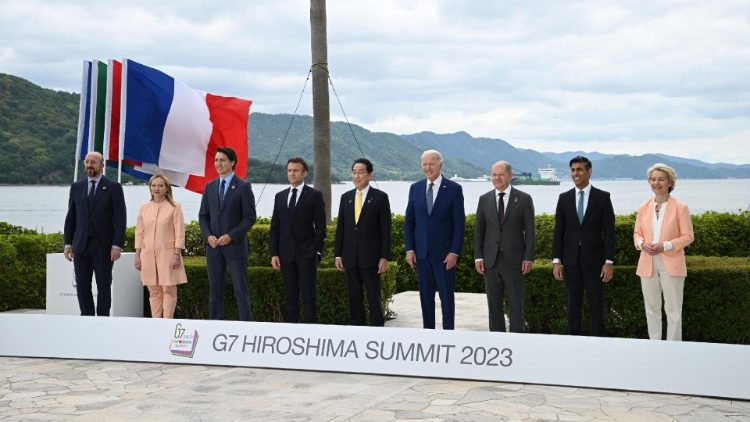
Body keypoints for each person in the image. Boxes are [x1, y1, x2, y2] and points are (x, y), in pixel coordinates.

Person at [552, 156, 615, 336]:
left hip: (595, 262)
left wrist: (609, 262)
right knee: (572, 306)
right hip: (571, 261)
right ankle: (574, 342)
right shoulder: (564, 198)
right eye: (573, 170)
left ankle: (600, 343)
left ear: (589, 171)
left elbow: (609, 232)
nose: (575, 173)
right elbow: (559, 232)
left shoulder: (603, 197)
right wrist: (556, 261)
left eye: (579, 169)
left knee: (597, 306)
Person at [405, 150, 465, 330]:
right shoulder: (415, 188)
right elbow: (409, 222)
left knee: (446, 299)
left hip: (445, 256)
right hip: (422, 255)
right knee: (425, 299)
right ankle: (428, 334)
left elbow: (459, 224)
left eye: (431, 163)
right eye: (424, 164)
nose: (427, 167)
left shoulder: (454, 189)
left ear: (440, 165)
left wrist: (454, 251)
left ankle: (448, 334)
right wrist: (409, 249)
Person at [634, 163, 694, 341]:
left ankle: (673, 347)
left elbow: (688, 236)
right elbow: (637, 233)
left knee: (673, 309)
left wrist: (665, 246)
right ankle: (655, 346)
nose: (656, 183)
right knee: (651, 308)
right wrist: (642, 244)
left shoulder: (680, 207)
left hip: (672, 262)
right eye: (653, 179)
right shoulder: (643, 207)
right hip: (647, 262)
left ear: (670, 182)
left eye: (661, 179)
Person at [474, 161, 535, 332]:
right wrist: (478, 257)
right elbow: (479, 231)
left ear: (510, 175)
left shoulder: (524, 199)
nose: (497, 178)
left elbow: (530, 232)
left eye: (501, 174)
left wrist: (528, 257)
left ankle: (517, 341)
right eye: (494, 174)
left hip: (515, 262)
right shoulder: (484, 199)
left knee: (516, 306)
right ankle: (497, 341)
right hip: (490, 261)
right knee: (494, 307)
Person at [63, 151, 126, 316]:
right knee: (82, 286)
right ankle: (87, 319)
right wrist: (68, 243)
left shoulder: (113, 187)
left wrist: (117, 245)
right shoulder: (76, 187)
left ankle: (103, 320)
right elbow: (71, 217)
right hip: (81, 246)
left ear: (102, 165)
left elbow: (120, 219)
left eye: (94, 162)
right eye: (87, 162)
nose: (89, 165)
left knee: (104, 286)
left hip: (104, 247)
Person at [198, 147, 257, 321]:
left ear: (232, 162)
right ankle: (215, 326)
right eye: (216, 160)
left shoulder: (243, 186)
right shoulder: (210, 187)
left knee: (240, 290)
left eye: (222, 160)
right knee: (215, 291)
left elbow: (249, 218)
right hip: (213, 248)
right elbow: (203, 216)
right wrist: (208, 236)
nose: (218, 163)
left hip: (235, 248)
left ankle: (246, 326)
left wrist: (230, 236)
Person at [334, 158, 392, 326]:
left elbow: (385, 230)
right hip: (350, 257)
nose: (356, 176)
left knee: (374, 297)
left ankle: (377, 331)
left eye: (360, 172)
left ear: (369, 175)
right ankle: (357, 331)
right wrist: (338, 255)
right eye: (354, 172)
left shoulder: (380, 197)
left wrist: (384, 257)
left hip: (371, 258)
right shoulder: (346, 197)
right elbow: (341, 229)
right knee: (354, 298)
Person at [270, 157, 326, 323]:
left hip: (307, 254)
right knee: (290, 297)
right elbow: (275, 228)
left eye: (295, 170)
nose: (292, 173)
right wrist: (274, 253)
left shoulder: (315, 195)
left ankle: (311, 331)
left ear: (304, 173)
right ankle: (292, 331)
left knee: (309, 297)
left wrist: (316, 251)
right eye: (289, 170)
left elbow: (321, 227)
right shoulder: (280, 196)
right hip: (285, 255)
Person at [134, 174, 188, 319]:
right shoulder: (144, 207)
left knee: (169, 290)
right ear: (150, 188)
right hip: (147, 255)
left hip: (168, 255)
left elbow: (179, 232)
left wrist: (177, 254)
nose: (156, 189)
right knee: (154, 291)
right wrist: (137, 256)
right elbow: (139, 233)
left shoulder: (174, 207)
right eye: (153, 185)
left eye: (160, 186)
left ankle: (167, 322)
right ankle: (156, 323)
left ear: (166, 188)